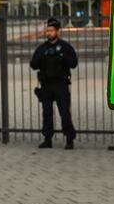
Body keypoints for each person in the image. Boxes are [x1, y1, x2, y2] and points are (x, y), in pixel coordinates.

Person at [30, 17, 78, 149]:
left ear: (57, 31)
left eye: (51, 31)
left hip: (60, 85)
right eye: (47, 31)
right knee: (46, 113)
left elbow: (74, 63)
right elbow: (33, 64)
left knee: (64, 112)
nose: (48, 33)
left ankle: (69, 139)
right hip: (46, 85)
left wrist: (62, 56)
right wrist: (42, 57)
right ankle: (47, 138)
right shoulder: (42, 48)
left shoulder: (64, 47)